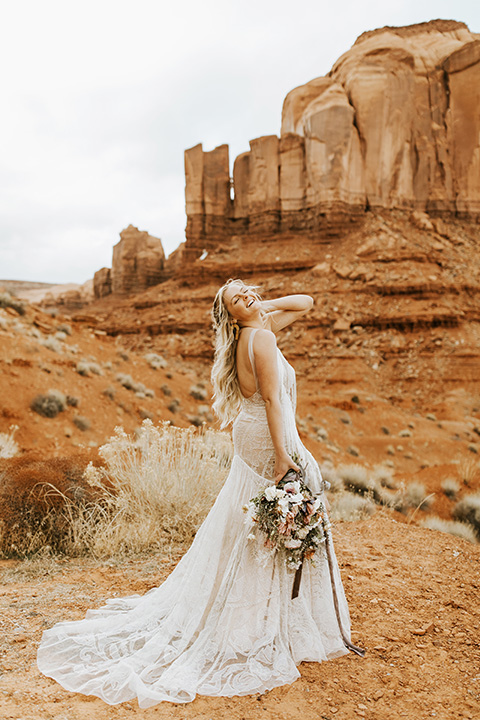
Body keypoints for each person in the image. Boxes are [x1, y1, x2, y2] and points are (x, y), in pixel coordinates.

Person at [37, 278, 355, 708]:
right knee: (271, 519)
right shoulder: (260, 337)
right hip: (267, 436)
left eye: (246, 290)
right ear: (230, 315)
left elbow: (308, 301)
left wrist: (259, 305)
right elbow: (275, 401)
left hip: (254, 432)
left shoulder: (256, 330)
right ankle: (254, 626)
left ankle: (263, 617)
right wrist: (283, 457)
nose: (246, 296)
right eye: (236, 299)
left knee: (254, 521)